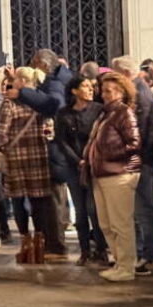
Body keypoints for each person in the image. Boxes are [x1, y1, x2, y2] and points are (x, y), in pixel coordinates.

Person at [7, 48, 71, 257]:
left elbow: (54, 106)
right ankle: (50, 242)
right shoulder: (57, 80)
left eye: (34, 63)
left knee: (53, 201)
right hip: (51, 153)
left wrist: (23, 93)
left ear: (43, 65)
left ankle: (56, 244)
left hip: (54, 152)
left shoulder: (54, 84)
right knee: (47, 200)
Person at [82, 71, 141, 282]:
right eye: (103, 90)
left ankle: (126, 266)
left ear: (121, 92)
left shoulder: (124, 113)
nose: (104, 94)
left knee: (120, 223)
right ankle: (118, 261)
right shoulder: (106, 114)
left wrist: (108, 155)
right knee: (106, 223)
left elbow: (134, 143)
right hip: (101, 174)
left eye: (109, 91)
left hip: (119, 173)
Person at [111, 56, 153, 275]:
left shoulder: (140, 96)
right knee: (139, 209)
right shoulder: (139, 92)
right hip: (140, 160)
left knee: (143, 209)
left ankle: (150, 255)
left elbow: (139, 132)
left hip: (141, 161)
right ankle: (145, 252)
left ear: (124, 74)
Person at [0, 66, 54, 256]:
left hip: (17, 158)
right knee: (38, 199)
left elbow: (2, 133)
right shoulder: (41, 101)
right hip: (38, 156)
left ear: (20, 81)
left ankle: (25, 242)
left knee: (19, 199)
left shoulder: (10, 103)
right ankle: (40, 240)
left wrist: (0, 148)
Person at [55, 77, 107, 265]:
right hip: (74, 167)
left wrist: (91, 159)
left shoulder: (98, 110)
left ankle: (101, 249)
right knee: (81, 210)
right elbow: (62, 141)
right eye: (85, 86)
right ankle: (85, 250)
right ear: (74, 91)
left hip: (95, 165)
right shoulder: (64, 114)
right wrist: (77, 161)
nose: (90, 89)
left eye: (91, 86)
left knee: (95, 209)